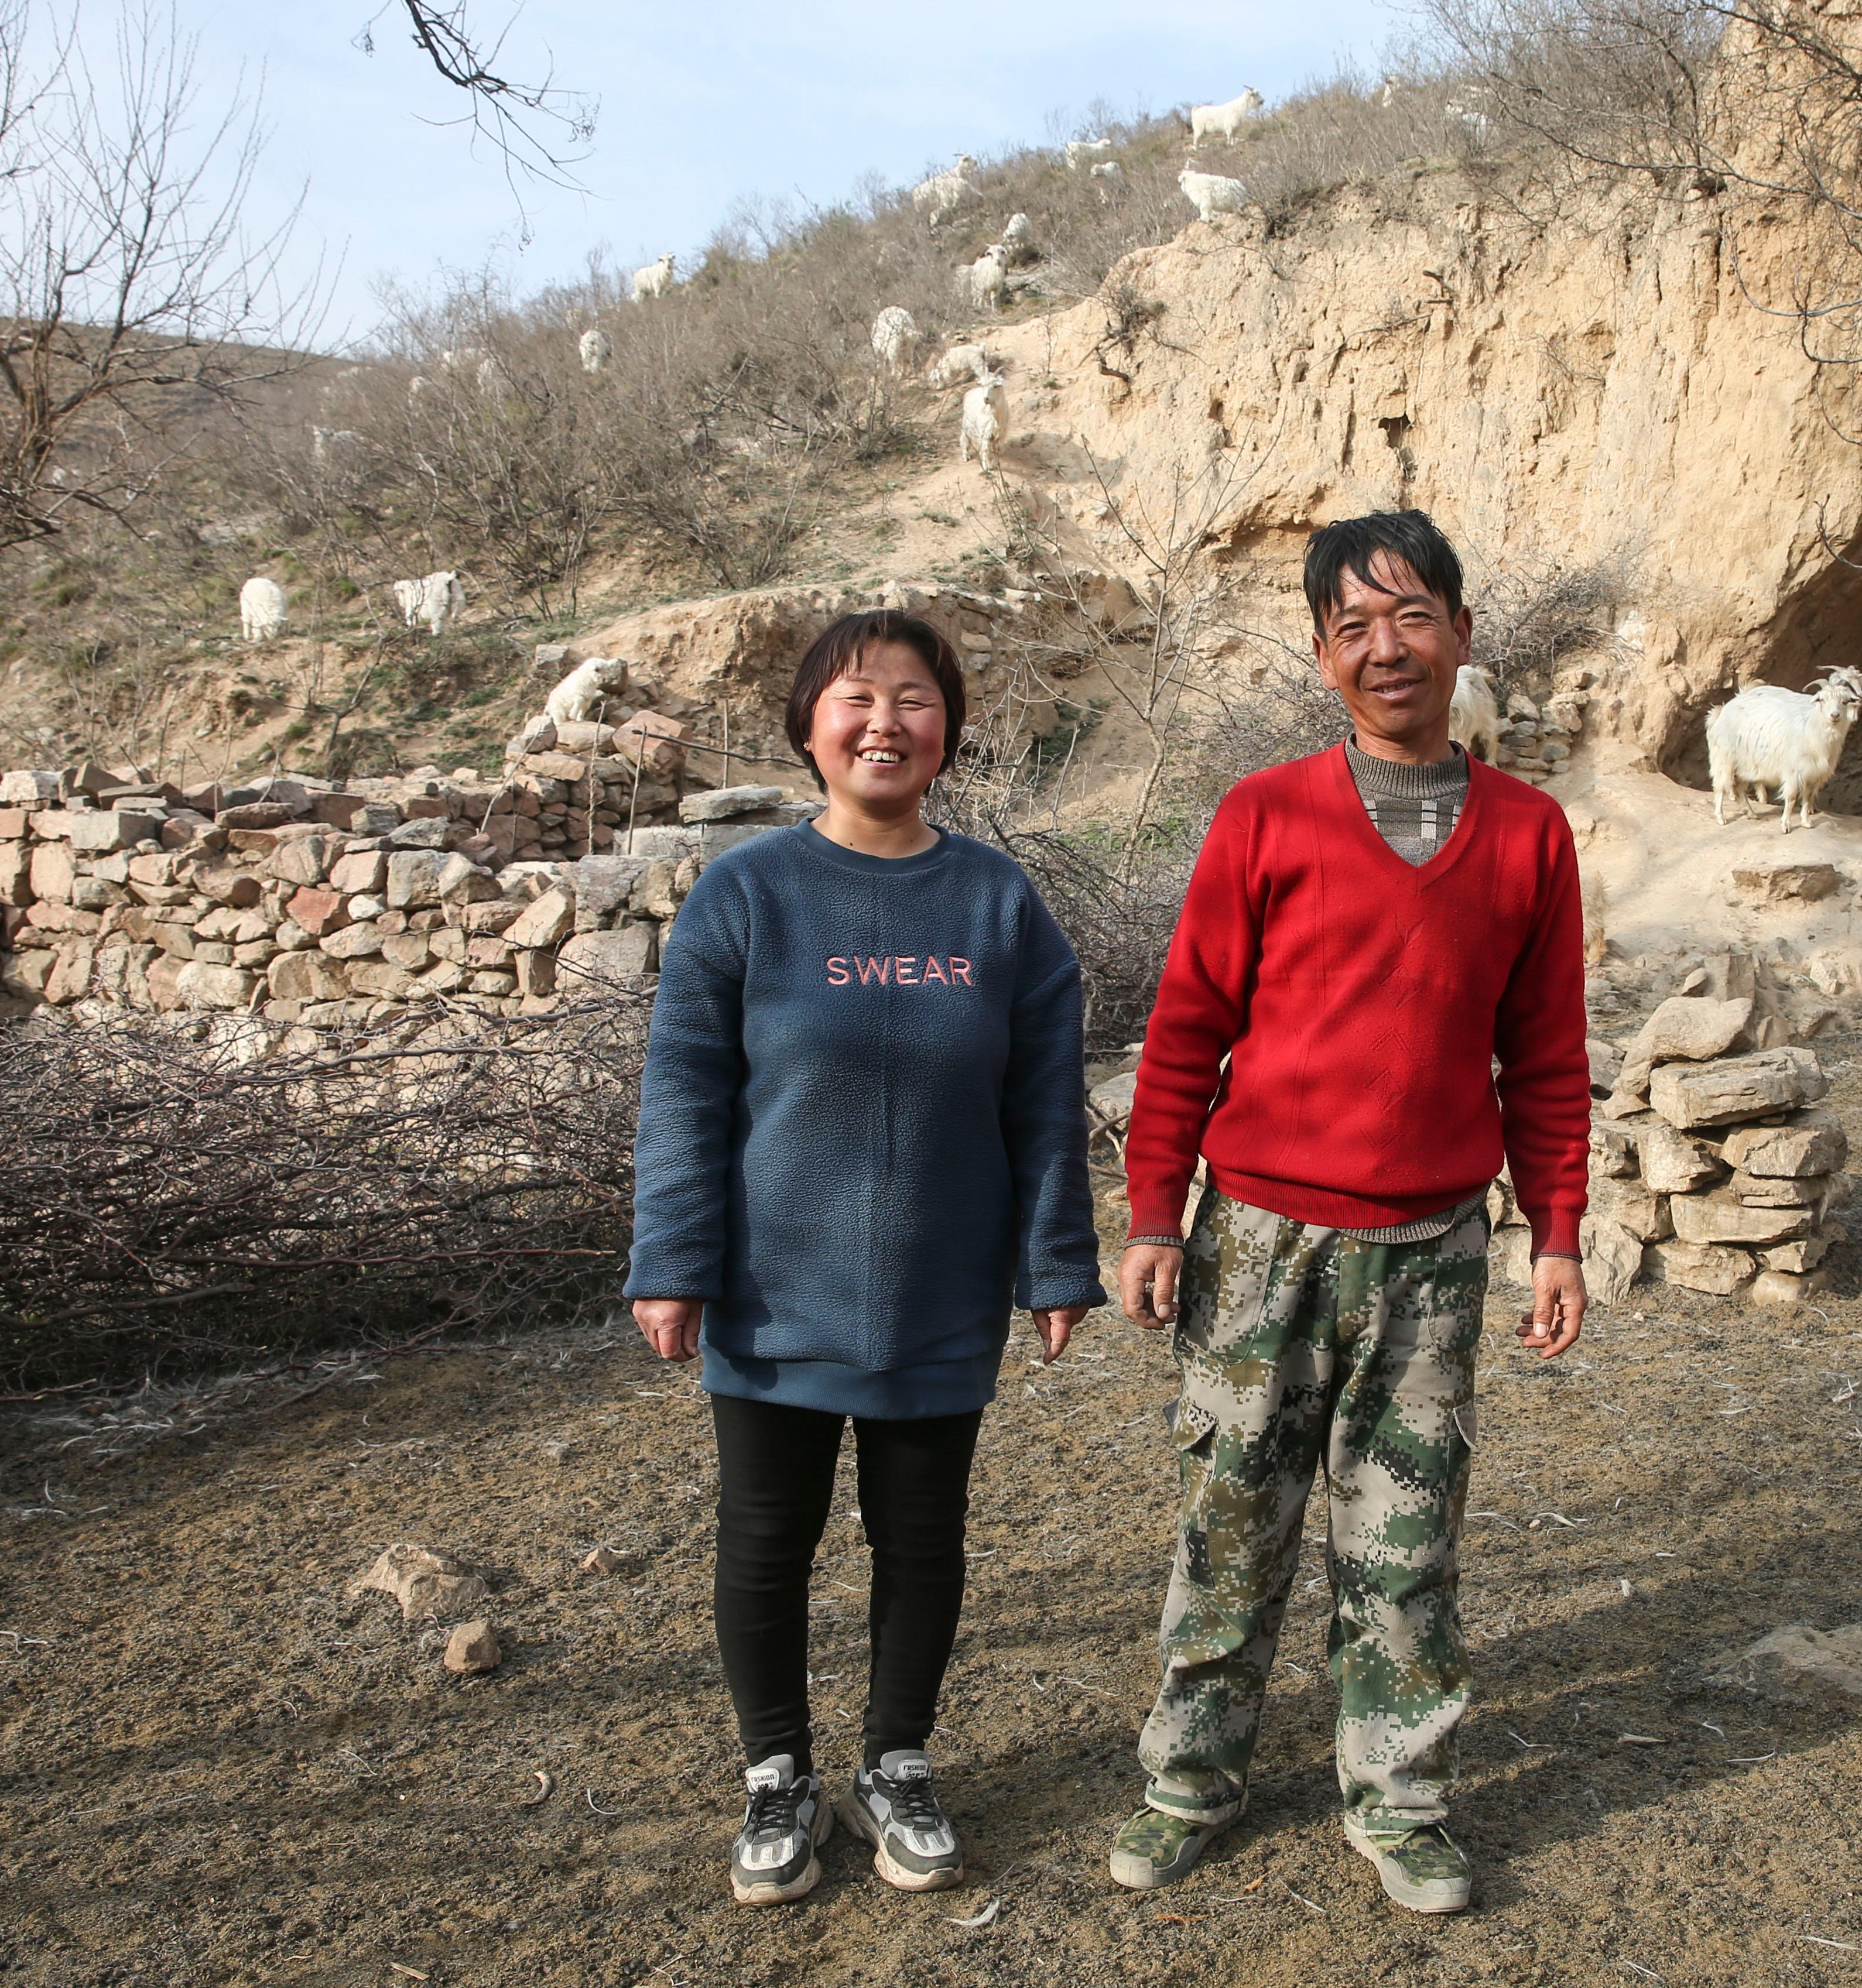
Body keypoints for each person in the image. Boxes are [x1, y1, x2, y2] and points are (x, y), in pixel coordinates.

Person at [1105, 509, 1590, 1914]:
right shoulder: (1265, 814)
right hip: (1258, 1243)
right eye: (1354, 626)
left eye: (1413, 616)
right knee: (1230, 1525)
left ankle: (1402, 1799)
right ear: (1323, 655)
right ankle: (1187, 1783)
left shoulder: (1526, 834)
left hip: (1433, 1252)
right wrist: (1152, 1216)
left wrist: (1555, 1231)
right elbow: (1187, 1028)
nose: (1387, 649)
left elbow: (1545, 1057)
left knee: (1404, 1544)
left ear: (1459, 633)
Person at [626, 609, 1104, 1907]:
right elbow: (684, 1092)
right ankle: (776, 1775)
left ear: (945, 732)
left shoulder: (997, 901)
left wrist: (1056, 1264)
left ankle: (897, 1761)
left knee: (921, 1541)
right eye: (854, 697)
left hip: (940, 1294)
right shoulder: (748, 893)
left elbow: (1045, 1104)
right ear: (808, 727)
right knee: (765, 1543)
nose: (884, 720)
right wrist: (670, 1260)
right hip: (774, 1289)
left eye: (913, 698)